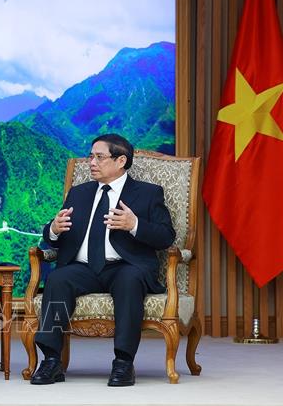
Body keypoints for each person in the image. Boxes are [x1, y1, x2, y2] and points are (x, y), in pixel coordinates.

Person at [31, 133, 175, 387]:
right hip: (84, 268)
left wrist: (134, 225)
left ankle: (123, 363)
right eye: (91, 157)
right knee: (58, 279)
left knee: (129, 280)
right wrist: (53, 229)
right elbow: (53, 235)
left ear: (121, 161)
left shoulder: (147, 193)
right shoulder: (79, 193)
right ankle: (51, 361)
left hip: (125, 266)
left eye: (99, 157)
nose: (92, 163)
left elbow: (166, 236)